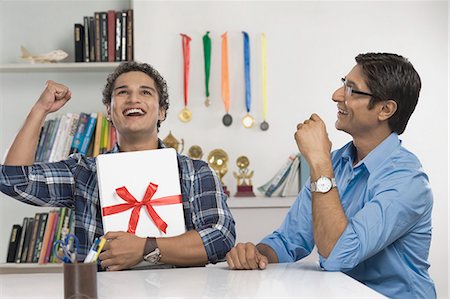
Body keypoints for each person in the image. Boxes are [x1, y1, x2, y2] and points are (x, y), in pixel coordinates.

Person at [226, 53, 435, 298]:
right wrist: (257, 254)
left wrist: (318, 161)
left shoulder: (407, 181)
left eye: (352, 90)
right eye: (343, 83)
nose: (336, 95)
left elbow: (337, 255)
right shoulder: (335, 161)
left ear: (385, 109)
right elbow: (289, 240)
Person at [0, 61, 236, 270]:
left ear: (162, 112)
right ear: (110, 112)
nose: (133, 99)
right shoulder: (84, 172)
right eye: (123, 93)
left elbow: (220, 236)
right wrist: (40, 110)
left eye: (145, 92)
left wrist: (146, 247)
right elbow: (14, 181)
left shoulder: (196, 172)